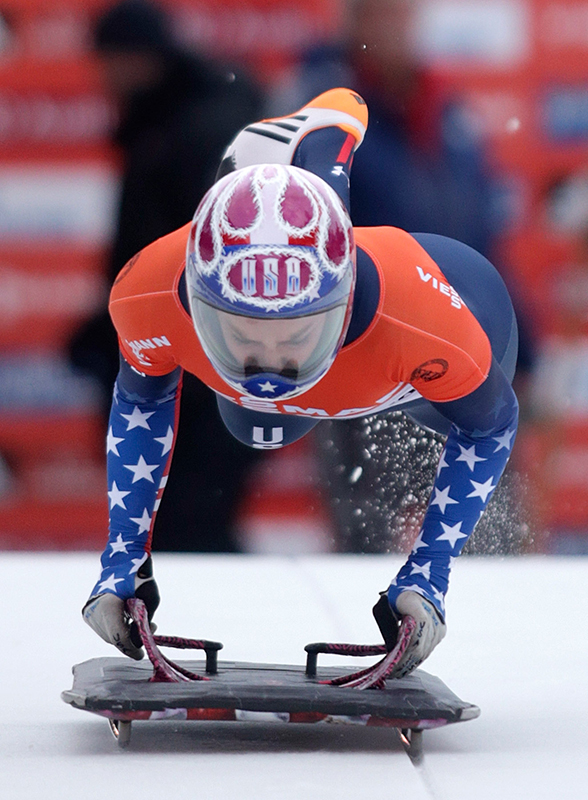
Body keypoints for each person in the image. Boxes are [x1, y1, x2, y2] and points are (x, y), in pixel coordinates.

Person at [82, 88, 519, 678]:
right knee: (259, 426)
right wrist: (121, 566)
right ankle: (270, 155)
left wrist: (429, 574)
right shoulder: (146, 293)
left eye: (294, 334)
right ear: (198, 302)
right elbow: (141, 399)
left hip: (441, 321)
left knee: (451, 408)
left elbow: (490, 426)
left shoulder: (428, 326)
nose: (270, 361)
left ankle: (274, 147)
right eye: (242, 332)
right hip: (355, 361)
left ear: (341, 306)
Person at [69, 0, 263, 552]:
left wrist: (130, 330)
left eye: (111, 61)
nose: (104, 78)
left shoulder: (194, 127)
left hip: (203, 362)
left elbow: (199, 257)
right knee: (185, 522)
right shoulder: (177, 117)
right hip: (208, 354)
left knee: (187, 522)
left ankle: (211, 624)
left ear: (138, 59)